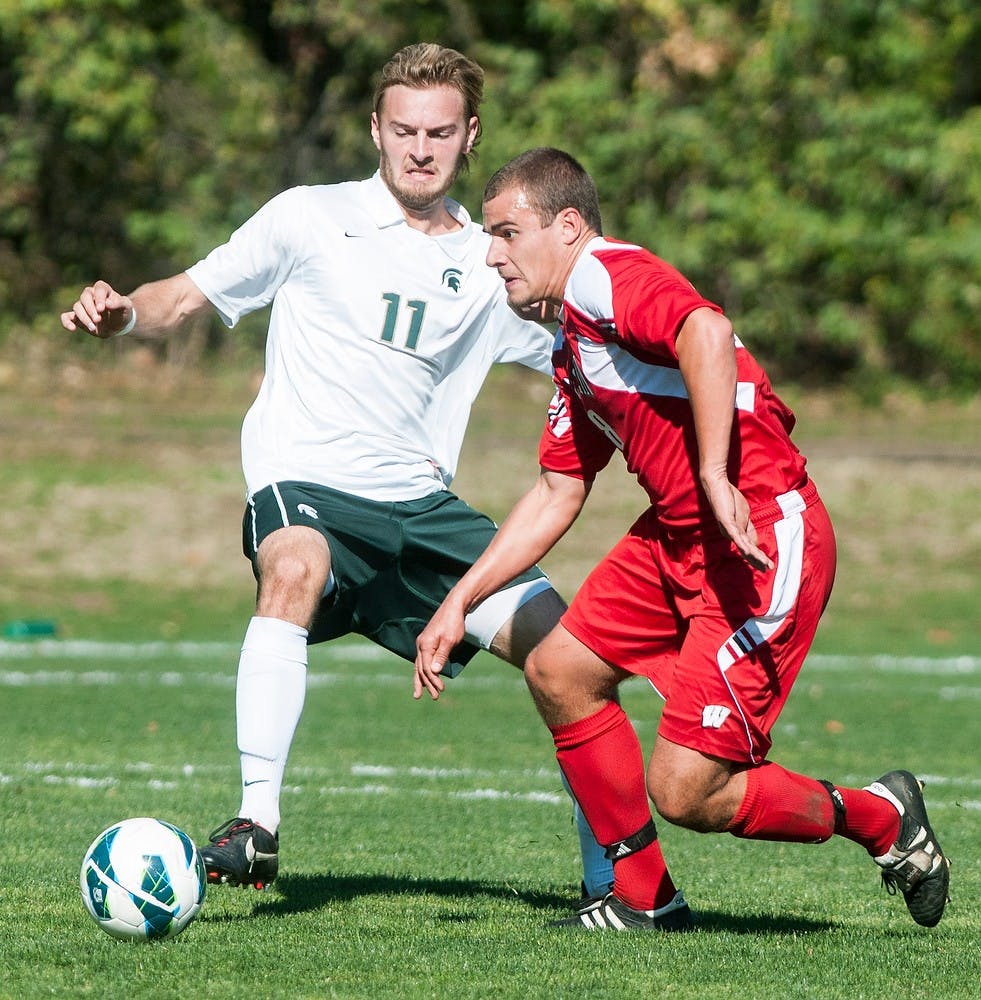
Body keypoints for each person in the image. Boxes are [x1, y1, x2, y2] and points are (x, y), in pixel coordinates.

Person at [60, 47, 613, 899]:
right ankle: (257, 824)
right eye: (401, 131)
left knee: (571, 661)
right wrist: (125, 311)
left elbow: (589, 357)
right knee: (294, 564)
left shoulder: (492, 258)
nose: (418, 149)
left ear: (469, 137)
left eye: (437, 132)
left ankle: (614, 883)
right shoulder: (309, 217)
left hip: (421, 509)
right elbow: (181, 296)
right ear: (374, 130)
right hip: (305, 481)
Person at [415, 147, 951, 931]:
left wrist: (710, 471)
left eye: (507, 232)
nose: (493, 254)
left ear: (567, 227)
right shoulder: (573, 343)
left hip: (758, 539)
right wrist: (460, 601)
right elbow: (557, 491)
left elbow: (706, 327)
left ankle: (881, 818)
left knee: (687, 792)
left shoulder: (602, 274)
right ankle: (642, 897)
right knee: (560, 669)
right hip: (676, 538)